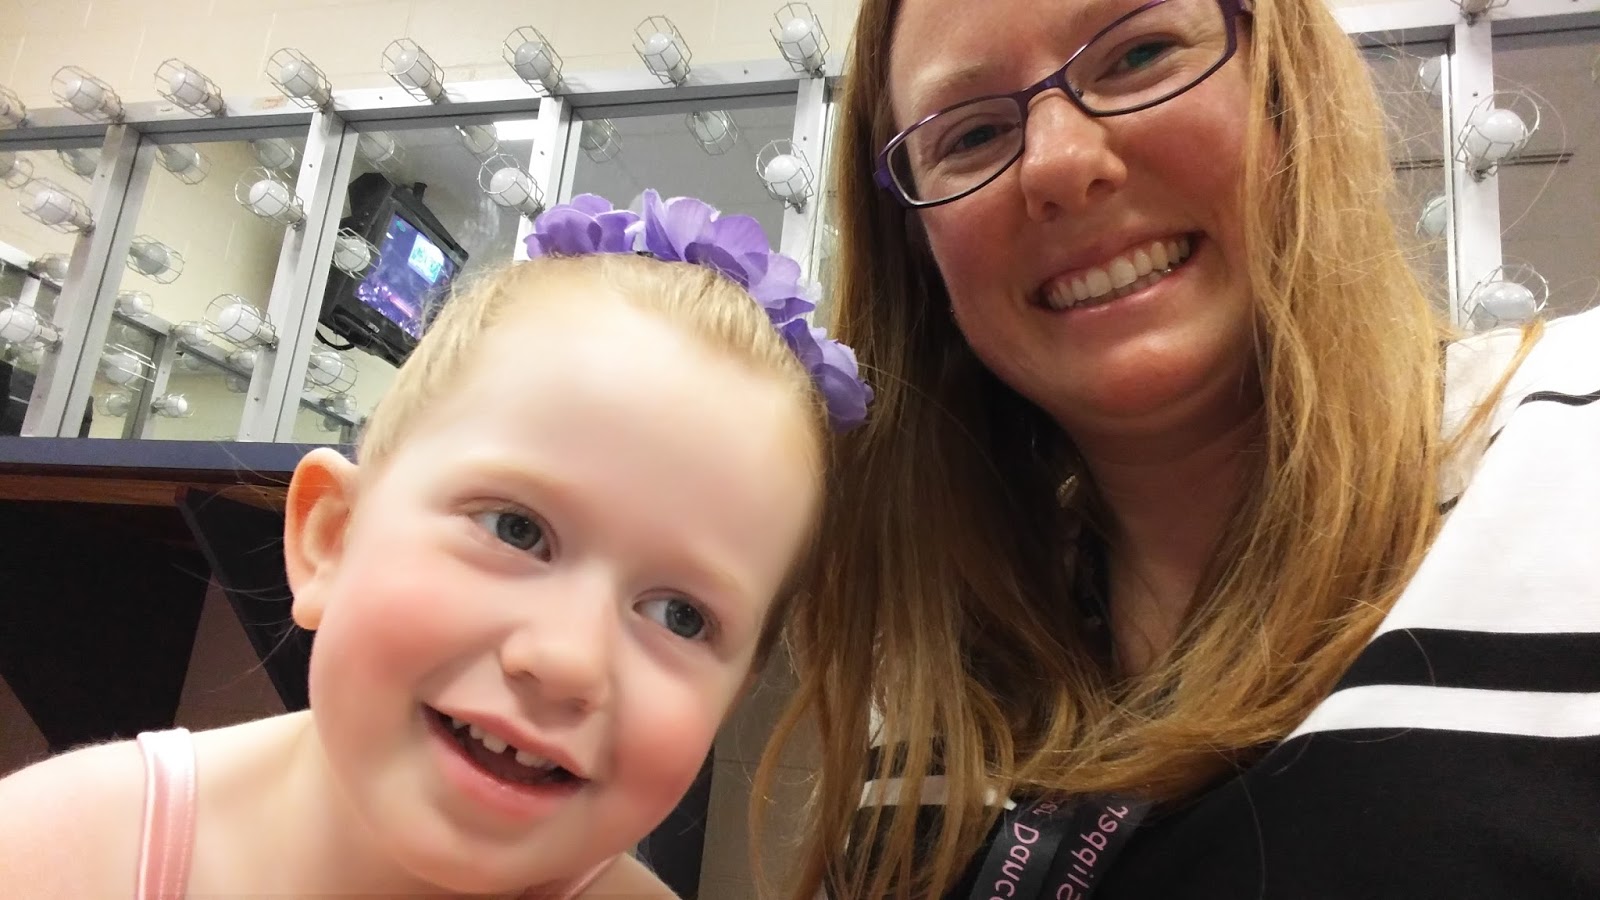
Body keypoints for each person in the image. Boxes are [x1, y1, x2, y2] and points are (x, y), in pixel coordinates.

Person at [755, 0, 1600, 897]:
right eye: (969, 135)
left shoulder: (1570, 450)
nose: (1060, 163)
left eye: (1140, 54)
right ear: (917, 248)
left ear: (1284, 85)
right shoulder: (932, 664)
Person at [0, 190, 871, 899]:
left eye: (681, 615)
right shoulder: (61, 851)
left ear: (732, 694)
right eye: (517, 530)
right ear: (332, 537)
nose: (566, 660)